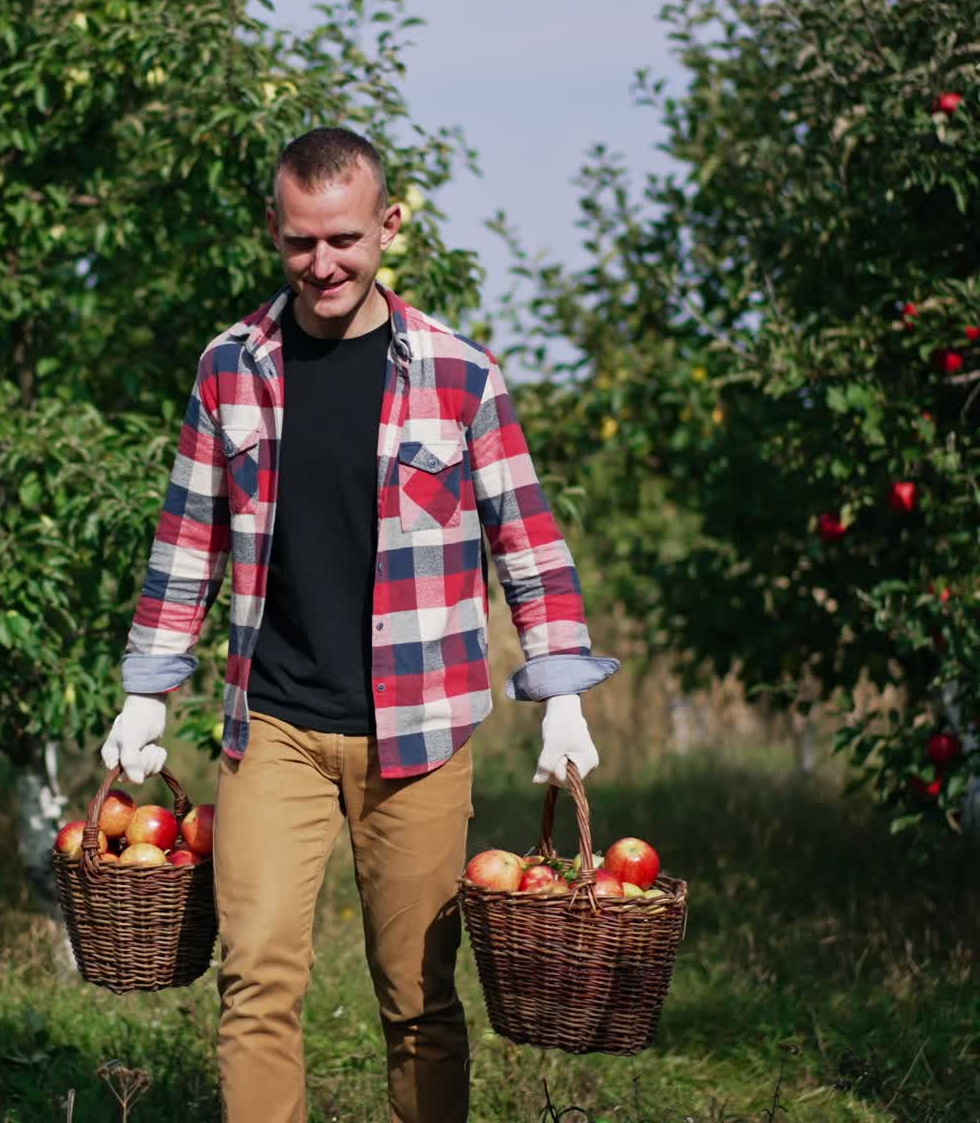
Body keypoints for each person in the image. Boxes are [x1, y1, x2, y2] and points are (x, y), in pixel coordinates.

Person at [101, 126, 619, 1123]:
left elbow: (529, 543)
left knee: (418, 998)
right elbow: (185, 543)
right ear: (272, 230)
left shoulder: (459, 375)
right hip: (275, 726)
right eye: (299, 242)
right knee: (254, 979)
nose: (322, 263)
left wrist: (559, 696)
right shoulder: (229, 368)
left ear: (387, 225)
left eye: (342, 238)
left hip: (419, 733)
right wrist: (145, 687)